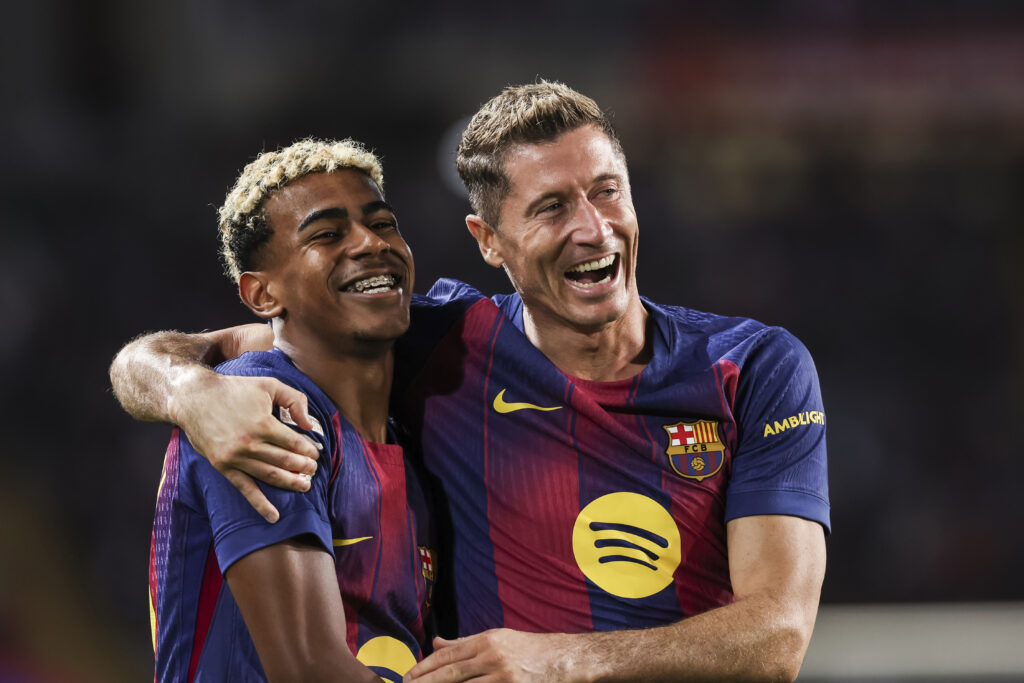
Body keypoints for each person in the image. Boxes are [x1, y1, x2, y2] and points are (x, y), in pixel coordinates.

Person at [112, 81, 828, 682]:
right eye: (551, 206)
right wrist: (189, 392)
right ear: (489, 241)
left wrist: (556, 661)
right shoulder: (438, 345)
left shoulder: (752, 367)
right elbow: (185, 352)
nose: (593, 228)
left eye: (607, 191)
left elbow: (778, 638)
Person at [143, 138, 435, 682]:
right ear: (262, 295)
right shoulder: (258, 408)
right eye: (327, 234)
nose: (371, 242)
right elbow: (308, 671)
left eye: (383, 223)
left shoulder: (410, 439)